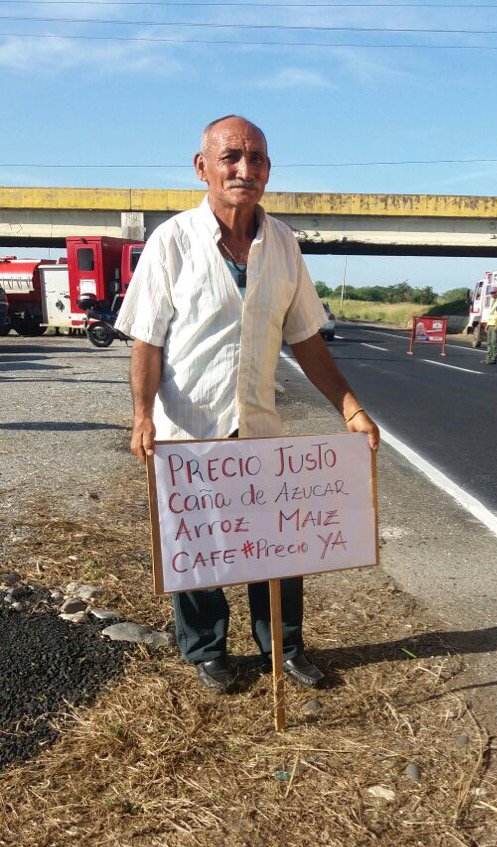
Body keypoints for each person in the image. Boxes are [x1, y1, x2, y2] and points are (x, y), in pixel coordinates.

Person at [116, 115, 379, 694]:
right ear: (202, 167)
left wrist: (350, 407)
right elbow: (146, 339)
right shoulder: (172, 241)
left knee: (278, 541)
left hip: (258, 424)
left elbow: (306, 337)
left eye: (256, 157)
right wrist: (142, 416)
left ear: (268, 169)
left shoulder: (282, 243)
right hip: (190, 428)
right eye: (231, 156)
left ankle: (284, 646)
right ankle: (207, 650)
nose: (244, 168)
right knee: (198, 543)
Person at [484, 285, 497, 365]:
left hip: (494, 325)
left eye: (493, 293)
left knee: (494, 342)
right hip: (490, 324)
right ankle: (488, 358)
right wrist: (487, 324)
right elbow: (491, 314)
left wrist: (496, 325)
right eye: (491, 293)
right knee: (489, 342)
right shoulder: (494, 301)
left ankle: (494, 358)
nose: (491, 294)